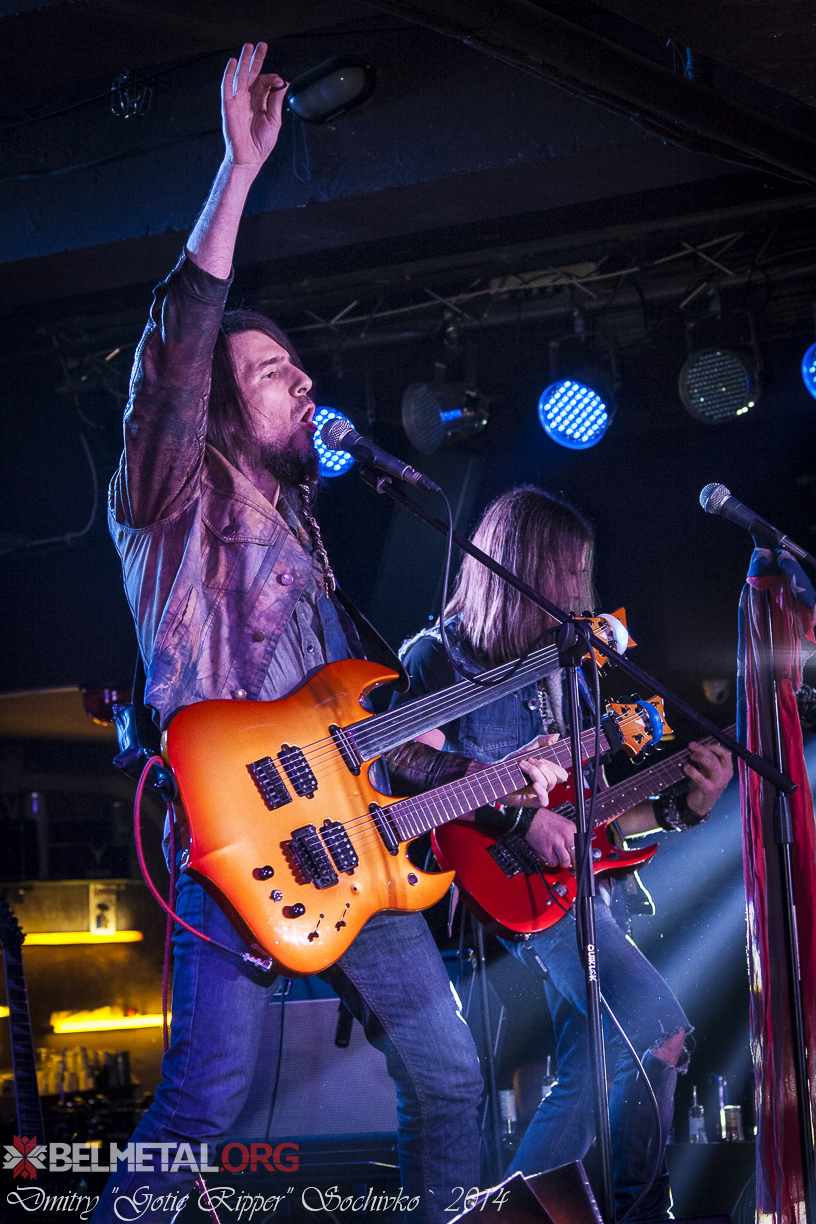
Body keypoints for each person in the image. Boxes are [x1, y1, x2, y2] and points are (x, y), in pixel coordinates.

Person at [94, 47, 567, 1224]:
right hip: (236, 833)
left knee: (450, 1077)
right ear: (215, 403)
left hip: (347, 849)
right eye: (273, 372)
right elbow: (177, 344)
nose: (303, 383)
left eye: (301, 368)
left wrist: (501, 782)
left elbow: (357, 730)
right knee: (205, 1101)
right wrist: (239, 172)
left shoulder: (307, 535)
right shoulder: (166, 495)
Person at [385, 485, 733, 1222]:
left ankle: (513, 1214)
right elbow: (404, 771)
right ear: (517, 567)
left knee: (589, 1069)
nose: (579, 590)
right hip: (505, 889)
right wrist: (520, 822)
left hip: (586, 890)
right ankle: (640, 1212)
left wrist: (683, 808)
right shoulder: (438, 657)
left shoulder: (568, 667)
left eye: (582, 572)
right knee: (658, 1030)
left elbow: (596, 817)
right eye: (565, 571)